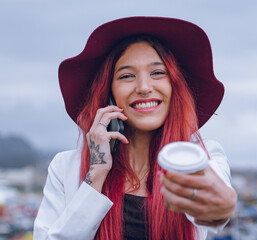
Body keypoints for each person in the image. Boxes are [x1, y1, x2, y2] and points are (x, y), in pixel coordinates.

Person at [34, 16, 237, 240]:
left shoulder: (201, 155)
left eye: (158, 73)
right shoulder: (65, 168)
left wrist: (222, 206)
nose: (143, 87)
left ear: (175, 86)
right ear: (108, 94)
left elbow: (215, 204)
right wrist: (96, 174)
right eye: (127, 76)